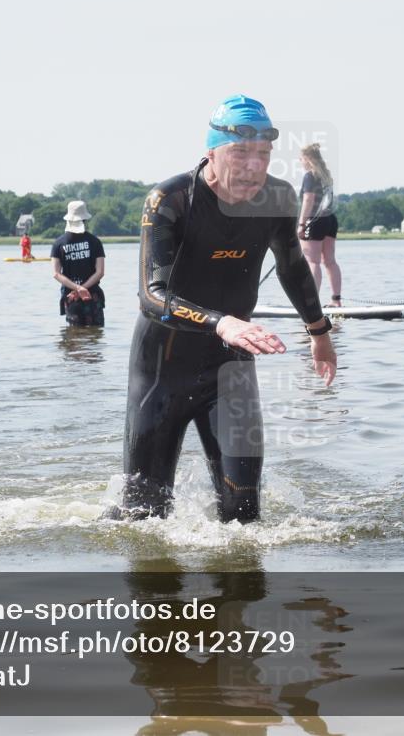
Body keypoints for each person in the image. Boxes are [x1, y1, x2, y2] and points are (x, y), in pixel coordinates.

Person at [112, 94, 336, 525]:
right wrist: (221, 322)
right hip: (161, 371)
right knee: (142, 518)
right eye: (241, 153)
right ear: (211, 151)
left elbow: (292, 268)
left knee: (245, 518)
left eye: (264, 155)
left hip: (230, 369)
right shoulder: (170, 200)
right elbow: (151, 295)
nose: (254, 166)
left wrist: (319, 333)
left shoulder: (278, 197)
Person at [297, 143, 341, 306]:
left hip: (314, 221)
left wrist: (301, 224)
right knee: (330, 261)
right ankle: (336, 300)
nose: (300, 161)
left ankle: (312, 304)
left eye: (301, 158)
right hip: (330, 220)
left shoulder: (310, 175)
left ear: (308, 159)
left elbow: (309, 199)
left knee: (312, 261)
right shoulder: (326, 175)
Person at [51, 200, 105, 326]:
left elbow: (56, 274)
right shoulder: (95, 241)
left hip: (71, 297)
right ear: (85, 219)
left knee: (73, 338)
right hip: (92, 295)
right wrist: (82, 288)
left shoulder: (58, 243)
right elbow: (100, 272)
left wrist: (77, 289)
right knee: (95, 337)